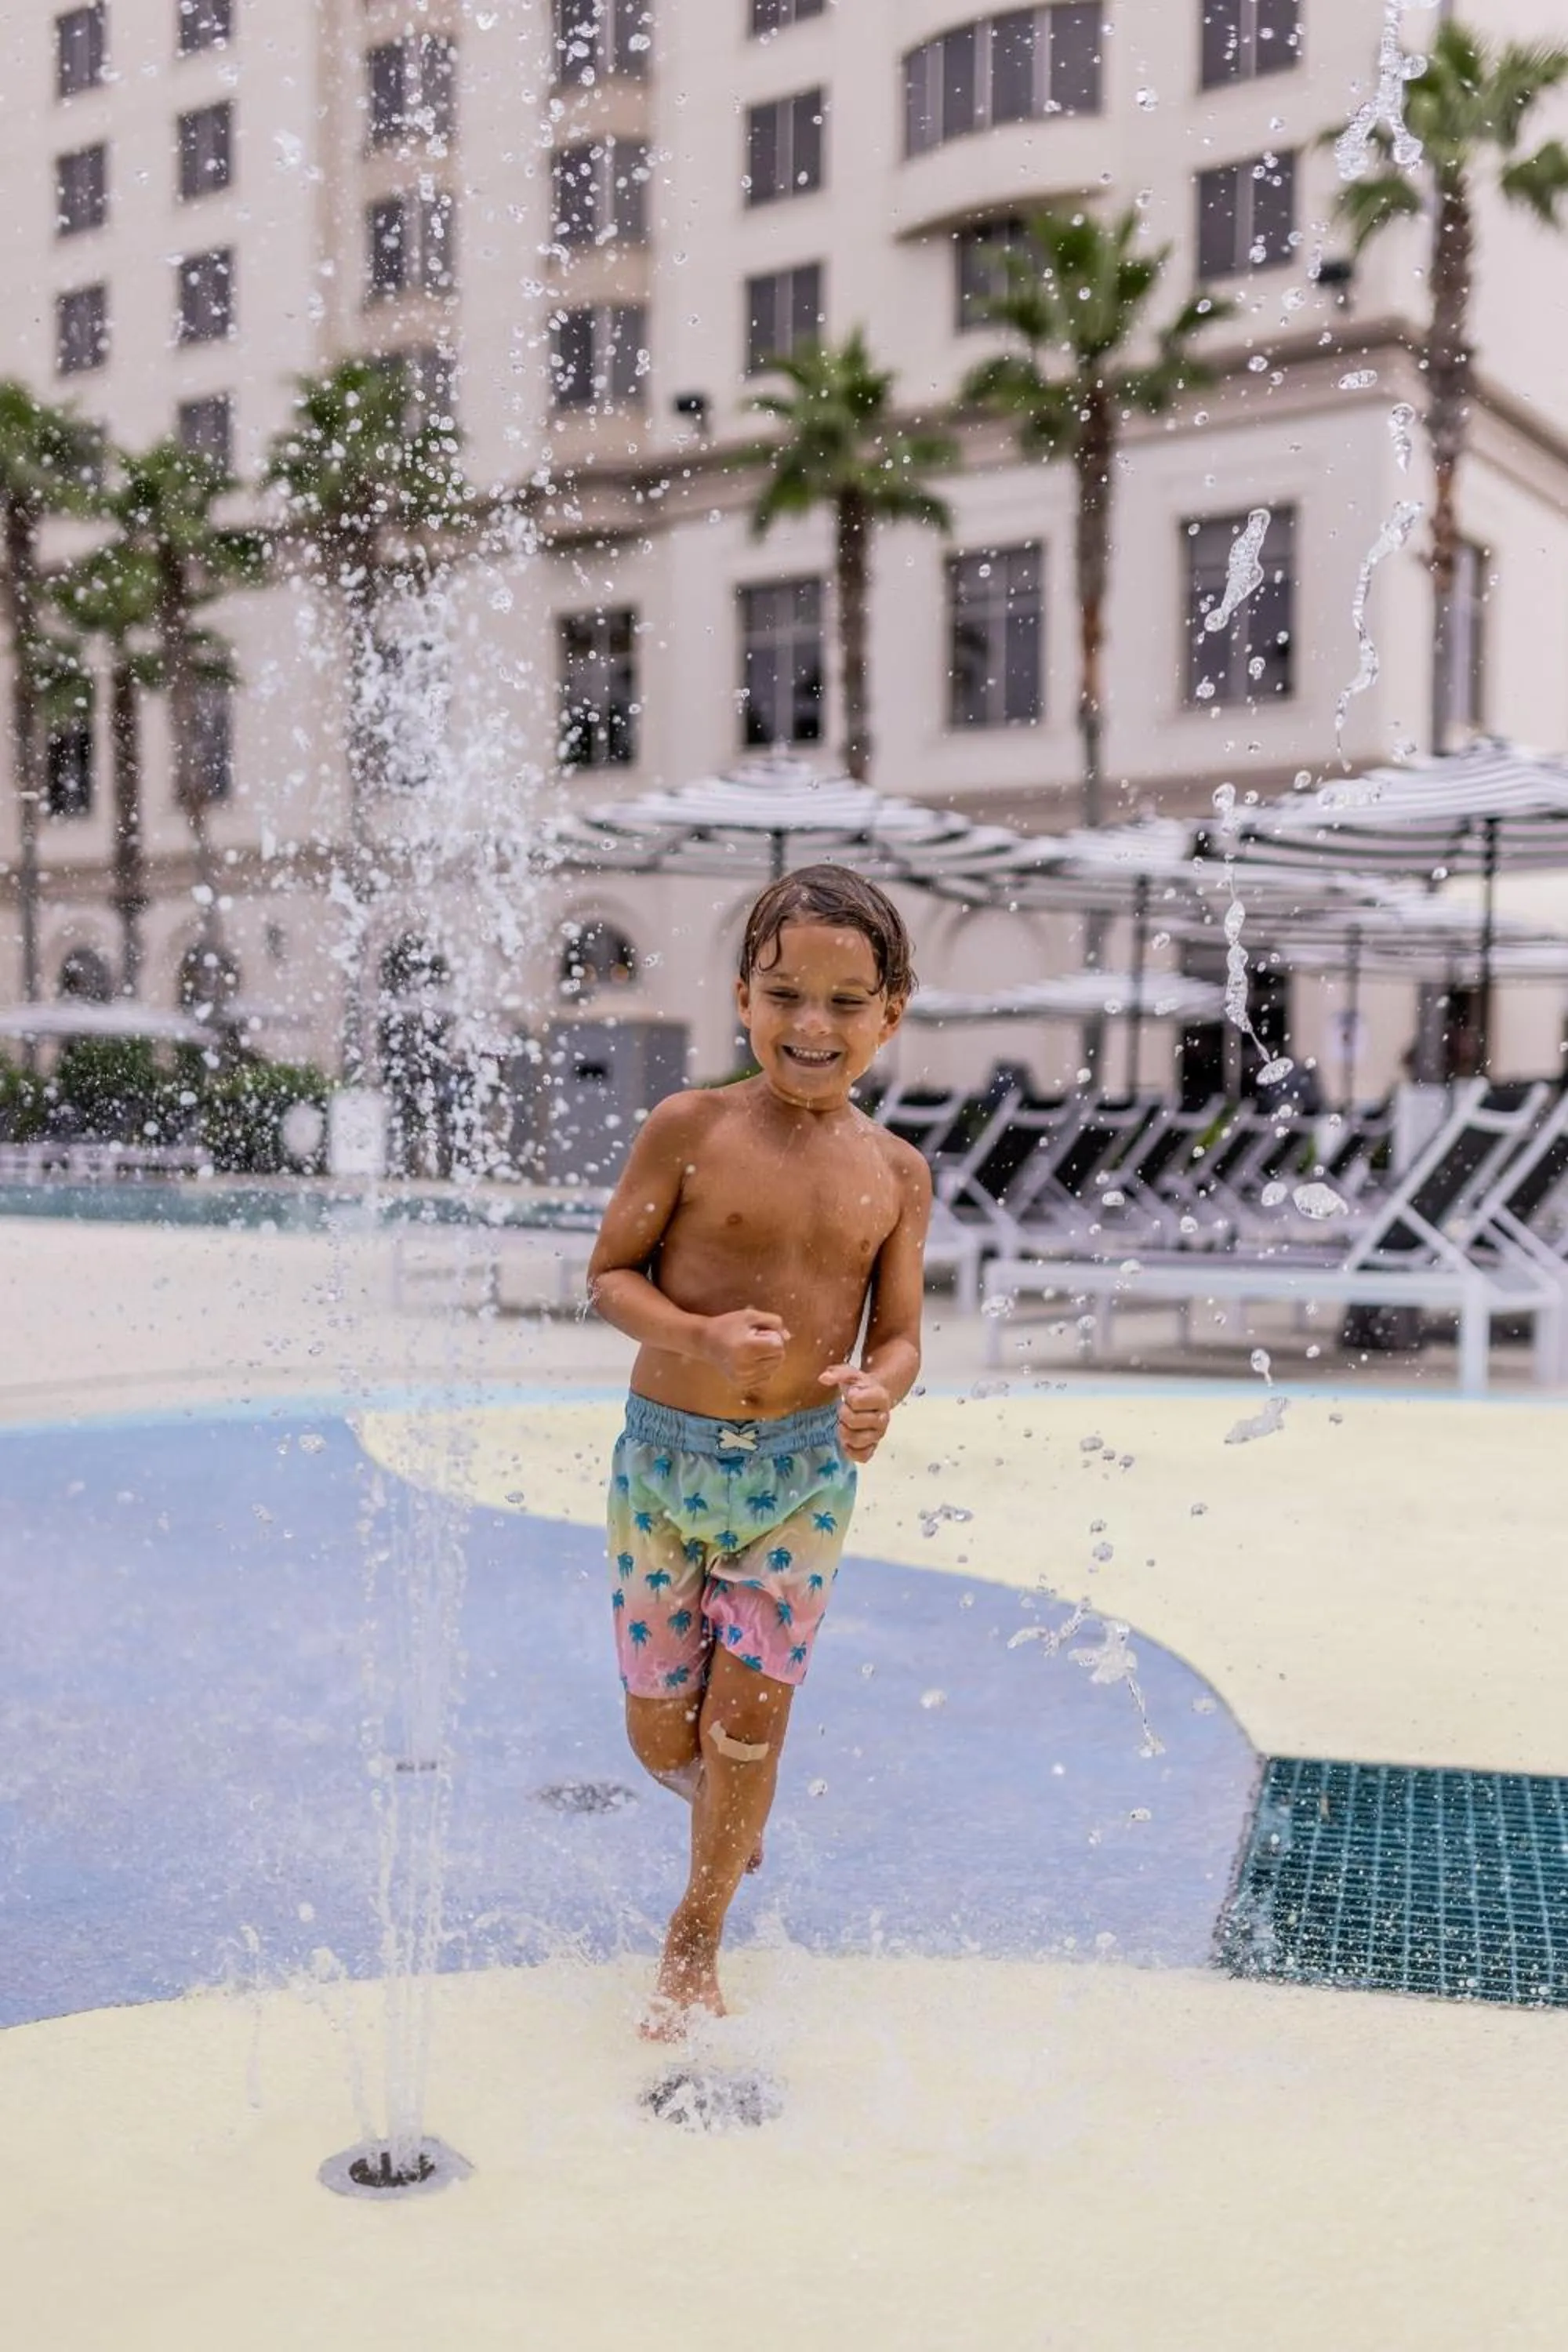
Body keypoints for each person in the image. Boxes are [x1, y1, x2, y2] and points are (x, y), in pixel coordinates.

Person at [586, 864, 932, 2037]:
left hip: (801, 1483)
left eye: (846, 1003)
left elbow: (902, 1340)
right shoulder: (691, 1128)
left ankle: (695, 1933)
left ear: (891, 1015)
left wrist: (875, 1398)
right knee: (660, 1736)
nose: (813, 1026)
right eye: (786, 995)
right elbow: (608, 1278)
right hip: (666, 1470)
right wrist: (695, 1334)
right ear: (743, 997)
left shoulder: (895, 1175)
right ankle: (730, 1810)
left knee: (750, 1723)